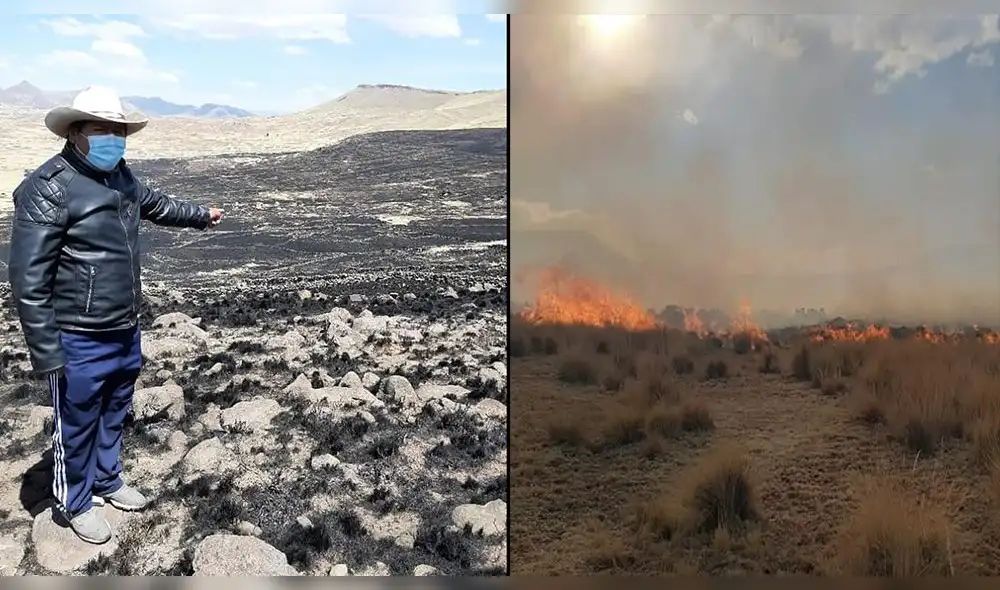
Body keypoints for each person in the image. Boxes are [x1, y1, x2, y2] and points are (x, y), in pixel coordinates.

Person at [6, 85, 224, 545]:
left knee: (114, 412)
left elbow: (159, 206)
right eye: (101, 129)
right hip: (76, 335)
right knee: (77, 420)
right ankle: (75, 501)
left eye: (118, 130)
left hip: (124, 327)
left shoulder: (122, 177)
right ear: (75, 132)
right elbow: (27, 280)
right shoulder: (49, 188)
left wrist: (200, 215)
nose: (113, 138)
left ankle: (107, 479)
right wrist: (47, 353)